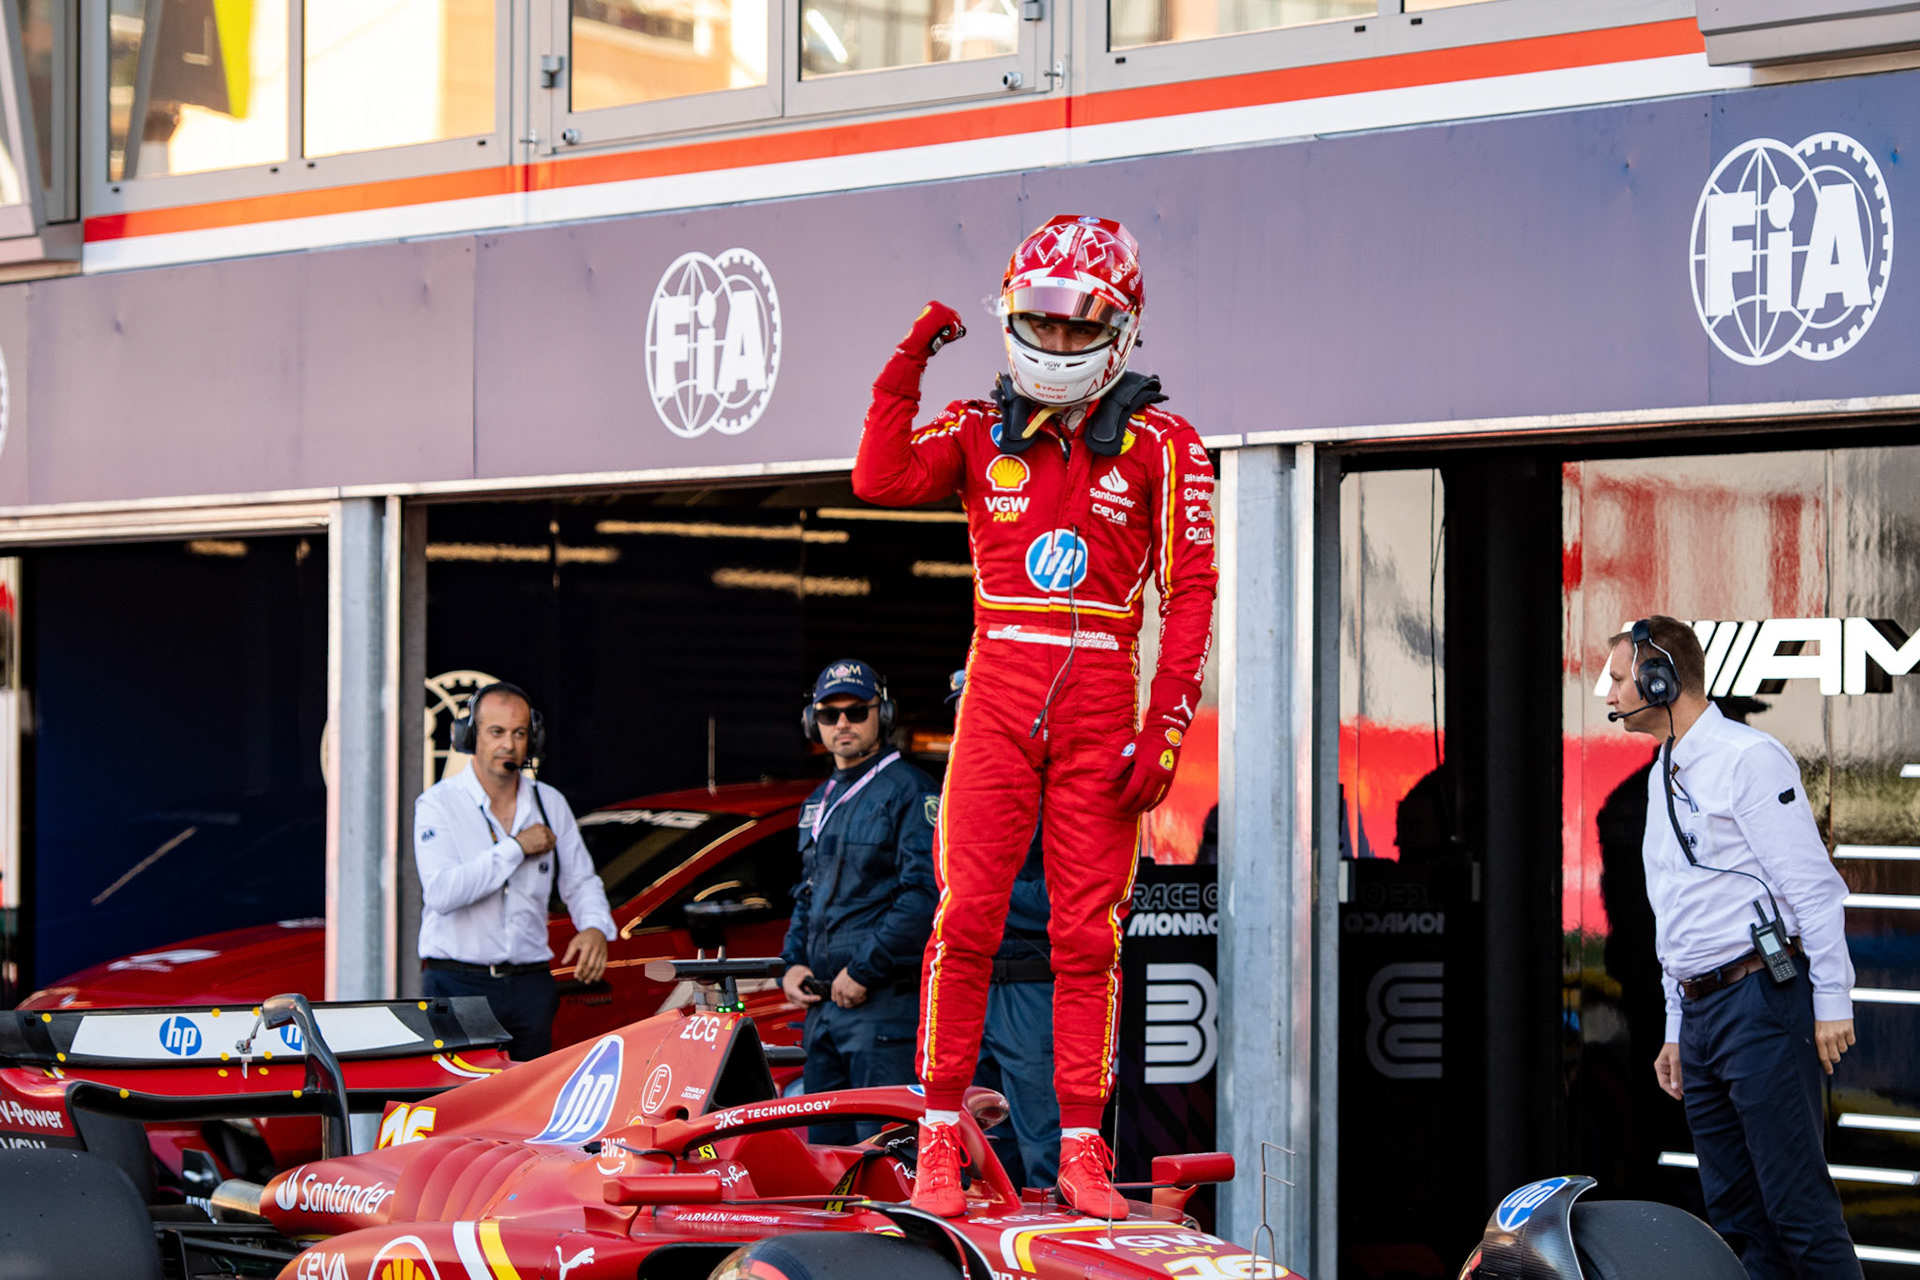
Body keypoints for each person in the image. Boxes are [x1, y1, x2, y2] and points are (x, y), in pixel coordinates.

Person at [852, 214, 1217, 1216]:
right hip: (1000, 691)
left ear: (1121, 328)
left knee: (1086, 935)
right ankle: (937, 1139)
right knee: (963, 918)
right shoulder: (977, 428)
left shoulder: (1166, 443)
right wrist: (907, 361)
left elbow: (1191, 595)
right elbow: (877, 477)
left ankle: (1087, 1149)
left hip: (1104, 696)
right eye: (1039, 326)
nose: (1054, 346)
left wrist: (1167, 725)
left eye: (1074, 329)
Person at [1606, 617, 1860, 1280]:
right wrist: (1674, 1026)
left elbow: (1814, 889)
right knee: (1738, 1222)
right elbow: (1676, 911)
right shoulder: (1665, 768)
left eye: (1617, 677)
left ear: (1660, 679)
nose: (1607, 693)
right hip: (1702, 1016)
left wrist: (1831, 998)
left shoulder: (1749, 758)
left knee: (1797, 1213)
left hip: (1761, 1002)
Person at [780, 659, 940, 1144]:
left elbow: (923, 897)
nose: (842, 723)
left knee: (887, 1154)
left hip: (883, 1010)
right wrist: (790, 964)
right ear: (814, 723)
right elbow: (807, 892)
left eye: (856, 710)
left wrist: (864, 971)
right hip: (824, 1011)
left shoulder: (912, 791)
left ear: (882, 714)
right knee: (826, 1159)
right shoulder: (819, 799)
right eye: (829, 715)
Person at [412, 682, 615, 1061]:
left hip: (530, 985)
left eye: (519, 733)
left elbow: (582, 880)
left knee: (527, 1109)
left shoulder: (550, 802)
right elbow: (441, 893)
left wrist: (594, 926)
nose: (509, 744)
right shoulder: (437, 804)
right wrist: (516, 847)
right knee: (460, 1108)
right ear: (470, 736)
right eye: (496, 732)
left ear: (532, 739)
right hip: (457, 985)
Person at [946, 667, 1061, 1189]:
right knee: (976, 1152)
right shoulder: (957, 796)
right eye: (959, 710)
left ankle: (1057, 1260)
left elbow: (1067, 899)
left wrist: (981, 892)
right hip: (972, 986)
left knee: (1046, 1148)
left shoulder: (1057, 792)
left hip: (1032, 987)